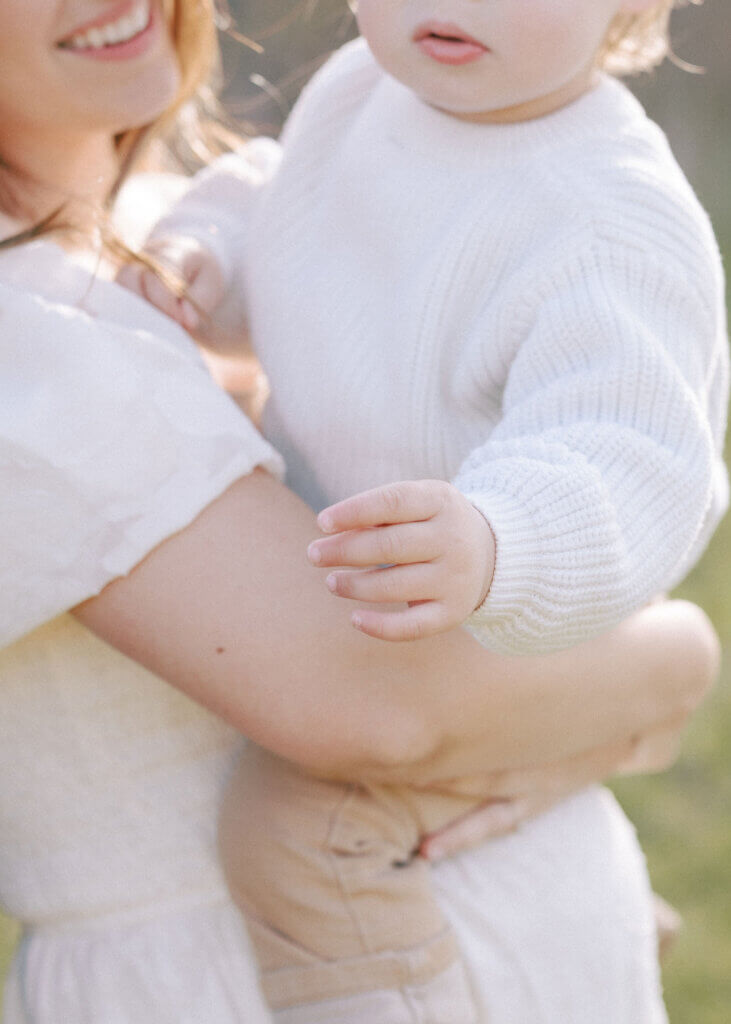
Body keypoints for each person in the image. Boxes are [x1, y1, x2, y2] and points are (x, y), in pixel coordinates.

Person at [0, 1, 721, 1023]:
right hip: (216, 973)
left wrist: (510, 545)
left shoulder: (598, 211)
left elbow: (627, 450)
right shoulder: (30, 329)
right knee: (293, 820)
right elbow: (377, 710)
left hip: (526, 920)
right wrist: (668, 662)